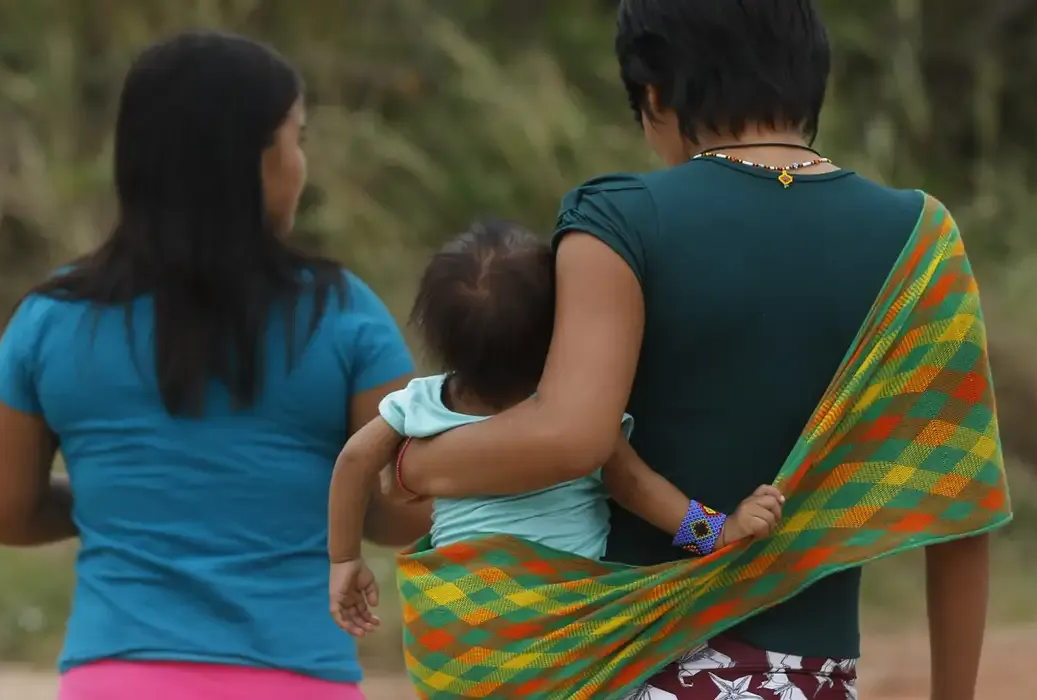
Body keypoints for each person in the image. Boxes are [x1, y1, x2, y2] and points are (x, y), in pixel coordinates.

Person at [393, 1, 992, 699]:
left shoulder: (617, 218)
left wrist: (413, 462)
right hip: (806, 679)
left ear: (654, 93)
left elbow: (572, 435)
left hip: (627, 665)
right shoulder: (921, 240)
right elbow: (961, 507)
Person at [0, 31, 428, 700]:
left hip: (115, 680)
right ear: (255, 158)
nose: (302, 163)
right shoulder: (342, 312)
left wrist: (125, 498)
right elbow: (406, 513)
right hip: (296, 681)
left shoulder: (52, 316)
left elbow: (0, 511)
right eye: (296, 139)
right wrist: (300, 496)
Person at [323, 221, 785, 636]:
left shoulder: (421, 402)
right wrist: (719, 533)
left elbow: (355, 459)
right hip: (555, 619)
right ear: (559, 328)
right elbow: (638, 486)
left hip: (456, 622)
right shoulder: (575, 416)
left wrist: (343, 559)